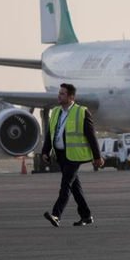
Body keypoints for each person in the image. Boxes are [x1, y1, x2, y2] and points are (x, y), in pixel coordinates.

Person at [42, 83, 104, 227]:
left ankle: (56, 215)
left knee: (65, 185)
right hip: (61, 155)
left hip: (75, 156)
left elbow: (91, 136)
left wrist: (97, 157)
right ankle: (86, 216)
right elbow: (50, 133)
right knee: (75, 188)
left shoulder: (81, 112)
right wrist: (45, 151)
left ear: (71, 97)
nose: (59, 95)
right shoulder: (56, 112)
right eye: (59, 93)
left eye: (63, 93)